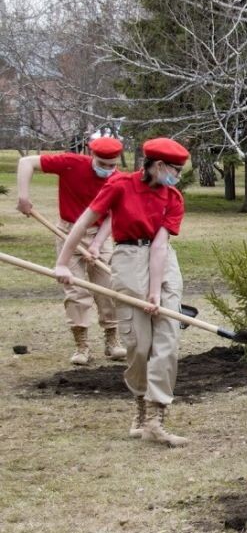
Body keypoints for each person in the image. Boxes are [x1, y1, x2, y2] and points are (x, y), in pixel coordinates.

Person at [53, 138, 190, 447]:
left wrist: (155, 291)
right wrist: (63, 263)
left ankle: (157, 418)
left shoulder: (174, 197)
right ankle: (140, 407)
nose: (178, 176)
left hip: (163, 261)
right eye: (175, 169)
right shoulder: (120, 186)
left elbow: (160, 245)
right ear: (157, 166)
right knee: (139, 344)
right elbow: (82, 223)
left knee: (167, 340)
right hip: (128, 258)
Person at [17, 137, 127, 365]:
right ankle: (82, 345)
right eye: (102, 163)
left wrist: (97, 244)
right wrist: (23, 197)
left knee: (107, 287)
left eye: (111, 165)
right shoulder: (70, 163)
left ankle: (112, 340)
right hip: (67, 233)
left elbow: (113, 215)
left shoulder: (119, 180)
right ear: (91, 155)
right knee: (75, 289)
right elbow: (26, 162)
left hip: (100, 234)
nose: (106, 170)